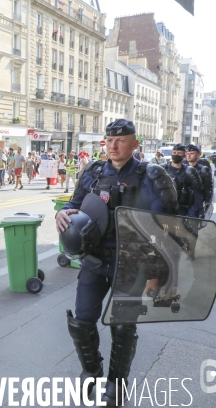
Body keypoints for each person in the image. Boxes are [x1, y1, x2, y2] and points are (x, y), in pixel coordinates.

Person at [55, 119, 177, 405]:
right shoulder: (93, 172)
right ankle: (91, 370)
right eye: (109, 140)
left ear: (135, 143)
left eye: (120, 140)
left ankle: (117, 383)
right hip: (95, 261)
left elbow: (165, 230)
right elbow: (75, 206)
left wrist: (158, 273)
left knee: (122, 327)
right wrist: (62, 214)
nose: (113, 145)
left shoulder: (153, 176)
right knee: (82, 322)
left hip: (132, 265)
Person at [162, 144, 204, 218]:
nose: (176, 155)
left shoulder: (189, 171)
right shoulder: (162, 169)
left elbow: (196, 192)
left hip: (182, 209)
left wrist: (200, 211)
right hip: (164, 207)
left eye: (179, 153)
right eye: (174, 152)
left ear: (184, 156)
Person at [185, 144, 213, 218]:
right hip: (182, 203)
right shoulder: (182, 169)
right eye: (187, 153)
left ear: (198, 155)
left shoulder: (203, 170)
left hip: (196, 205)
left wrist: (207, 203)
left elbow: (208, 188)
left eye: (191, 154)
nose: (188, 155)